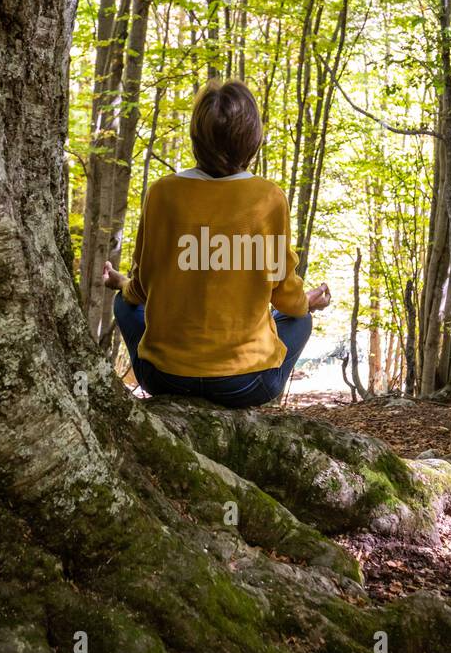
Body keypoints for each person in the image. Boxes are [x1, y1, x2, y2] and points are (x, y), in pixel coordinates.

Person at [104, 78, 330, 409]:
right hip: (246, 384)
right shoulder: (268, 198)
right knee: (301, 318)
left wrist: (119, 282)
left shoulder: (162, 193)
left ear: (197, 137)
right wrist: (306, 303)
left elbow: (139, 290)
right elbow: (288, 300)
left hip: (165, 379)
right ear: (253, 140)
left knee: (123, 305)